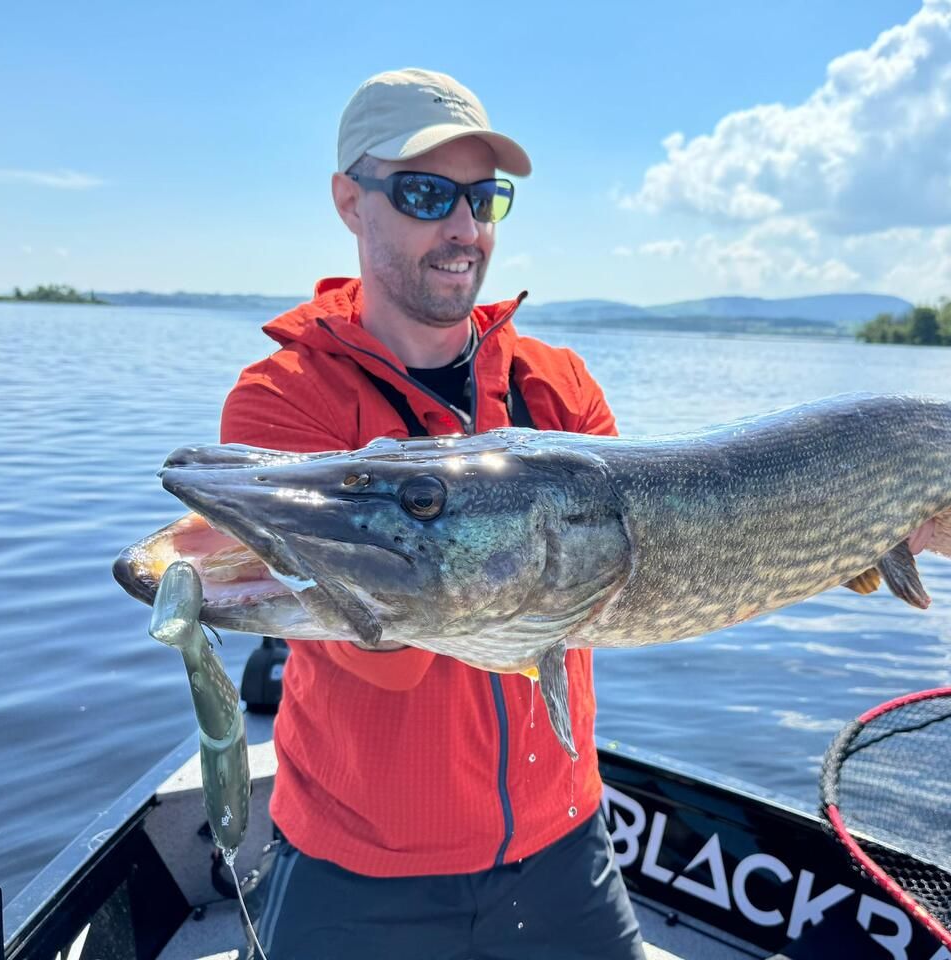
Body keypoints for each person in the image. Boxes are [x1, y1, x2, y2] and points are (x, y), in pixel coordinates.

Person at [222, 68, 645, 960]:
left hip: (563, 844)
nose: (463, 229)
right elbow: (380, 645)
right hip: (358, 870)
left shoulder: (558, 389)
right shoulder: (284, 404)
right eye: (425, 194)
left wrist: (865, 533)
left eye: (485, 198)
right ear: (350, 201)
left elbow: (624, 593)